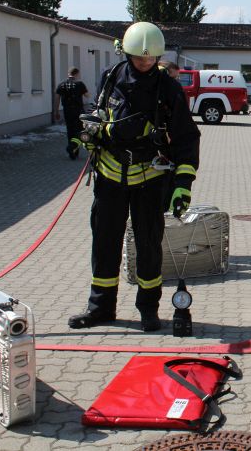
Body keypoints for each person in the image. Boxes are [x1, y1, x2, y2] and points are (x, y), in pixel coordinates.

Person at [68, 22, 201, 331]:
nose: (145, 62)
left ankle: (148, 310)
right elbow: (99, 115)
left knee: (148, 246)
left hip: (149, 177)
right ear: (126, 53)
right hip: (109, 175)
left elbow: (186, 137)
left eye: (151, 58)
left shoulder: (168, 88)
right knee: (105, 244)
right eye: (140, 57)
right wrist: (92, 135)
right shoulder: (111, 77)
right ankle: (100, 308)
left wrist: (183, 184)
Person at [54, 67, 90, 160]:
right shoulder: (79, 84)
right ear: (77, 74)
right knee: (80, 130)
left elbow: (57, 98)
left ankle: (72, 151)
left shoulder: (61, 84)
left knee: (70, 130)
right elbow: (87, 95)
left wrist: (56, 111)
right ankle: (73, 148)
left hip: (67, 111)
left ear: (68, 74)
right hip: (78, 110)